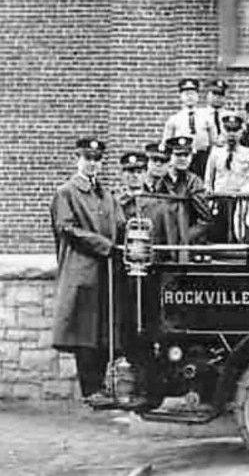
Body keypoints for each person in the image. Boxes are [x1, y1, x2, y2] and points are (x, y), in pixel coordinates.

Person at [50, 138, 125, 406]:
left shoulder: (106, 194)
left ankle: (101, 386)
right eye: (88, 158)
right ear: (77, 159)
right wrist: (105, 246)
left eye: (97, 159)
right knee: (85, 331)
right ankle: (89, 389)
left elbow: (120, 223)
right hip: (82, 271)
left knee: (104, 329)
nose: (93, 163)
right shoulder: (67, 192)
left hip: (107, 272)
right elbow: (67, 228)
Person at [205, 114, 249, 242]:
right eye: (228, 130)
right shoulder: (216, 152)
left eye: (235, 130)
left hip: (241, 199)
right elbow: (209, 178)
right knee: (219, 234)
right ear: (223, 131)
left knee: (239, 234)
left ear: (241, 132)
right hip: (221, 199)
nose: (231, 134)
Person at [162, 136, 213, 247]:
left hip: (184, 240)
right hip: (162, 236)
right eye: (178, 155)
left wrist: (185, 237)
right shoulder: (160, 180)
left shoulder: (194, 182)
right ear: (169, 156)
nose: (183, 159)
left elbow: (205, 219)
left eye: (186, 155)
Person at [162, 78, 217, 178]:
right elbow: (166, 144)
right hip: (182, 157)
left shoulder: (207, 118)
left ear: (197, 96)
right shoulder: (174, 119)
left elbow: (214, 142)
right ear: (181, 96)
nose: (189, 97)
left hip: (202, 158)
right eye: (186, 94)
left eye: (192, 93)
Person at [114, 151, 148, 220]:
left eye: (139, 172)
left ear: (146, 174)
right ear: (123, 174)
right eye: (131, 172)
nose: (135, 175)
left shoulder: (153, 200)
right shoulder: (115, 201)